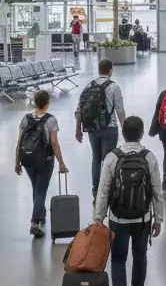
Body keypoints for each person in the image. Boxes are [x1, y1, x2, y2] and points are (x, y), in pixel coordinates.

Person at [93, 115, 164, 286]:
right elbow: (157, 191)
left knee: (117, 259)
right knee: (140, 254)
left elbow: (103, 190)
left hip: (117, 218)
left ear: (123, 134)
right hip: (142, 218)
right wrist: (158, 218)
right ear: (141, 134)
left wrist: (98, 219)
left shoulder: (112, 157)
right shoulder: (149, 157)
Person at [15, 89, 68, 237]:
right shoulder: (51, 120)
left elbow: (19, 142)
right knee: (41, 191)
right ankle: (35, 222)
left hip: (27, 159)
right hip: (45, 160)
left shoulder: (26, 119)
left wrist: (17, 161)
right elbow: (54, 144)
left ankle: (41, 213)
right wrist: (61, 163)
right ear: (47, 104)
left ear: (34, 102)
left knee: (36, 187)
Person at [76, 58, 125, 198]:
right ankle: (108, 189)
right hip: (110, 128)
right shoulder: (114, 87)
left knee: (96, 158)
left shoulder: (88, 86)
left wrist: (78, 129)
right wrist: (125, 129)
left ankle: (95, 189)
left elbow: (80, 108)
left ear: (99, 70)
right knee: (108, 159)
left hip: (92, 127)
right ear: (110, 71)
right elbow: (120, 110)